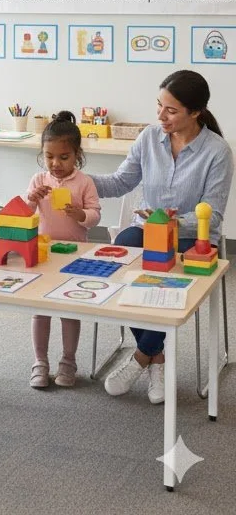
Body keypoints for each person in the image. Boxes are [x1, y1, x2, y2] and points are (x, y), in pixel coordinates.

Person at [92, 70, 233, 404]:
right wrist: (77, 178)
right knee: (119, 255)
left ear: (195, 112)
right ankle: (158, 357)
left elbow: (212, 214)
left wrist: (175, 220)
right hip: (146, 230)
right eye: (159, 106)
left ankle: (142, 356)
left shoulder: (218, 152)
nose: (160, 116)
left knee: (164, 275)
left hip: (191, 238)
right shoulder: (148, 139)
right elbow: (119, 182)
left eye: (171, 110)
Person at [23, 112, 100, 389]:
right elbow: (25, 212)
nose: (55, 164)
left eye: (64, 157)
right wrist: (31, 199)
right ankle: (39, 361)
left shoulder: (84, 182)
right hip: (44, 254)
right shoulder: (38, 180)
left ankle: (68, 361)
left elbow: (95, 215)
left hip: (75, 255)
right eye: (49, 157)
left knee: (69, 308)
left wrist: (80, 214)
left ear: (77, 155)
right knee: (40, 309)